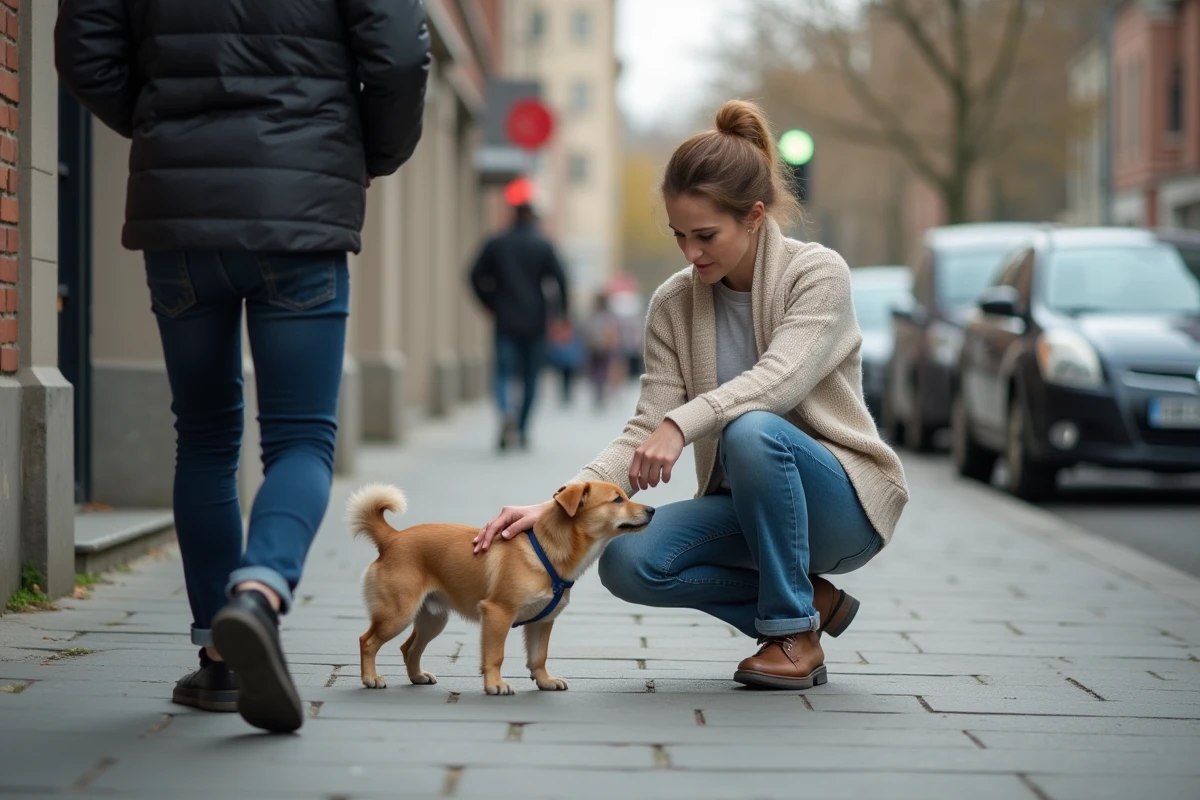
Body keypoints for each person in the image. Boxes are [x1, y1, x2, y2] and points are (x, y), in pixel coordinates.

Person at [55, 0, 431, 732]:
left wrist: (173, 130)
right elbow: (398, 56)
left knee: (202, 436)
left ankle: (218, 661)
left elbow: (85, 52)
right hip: (301, 197)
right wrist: (360, 152)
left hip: (180, 208)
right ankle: (257, 593)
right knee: (298, 439)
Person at [474, 100, 909, 690]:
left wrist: (681, 426)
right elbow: (642, 426)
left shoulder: (818, 275)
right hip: (748, 509)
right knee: (628, 562)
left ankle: (789, 630)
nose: (691, 253)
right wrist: (557, 504)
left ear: (754, 216)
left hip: (843, 506)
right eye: (679, 235)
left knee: (751, 427)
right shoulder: (673, 304)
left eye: (706, 235)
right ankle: (811, 607)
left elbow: (777, 381)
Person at [470, 203, 570, 450]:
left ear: (513, 216)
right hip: (535, 321)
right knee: (530, 378)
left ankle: (506, 413)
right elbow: (561, 279)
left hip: (505, 319)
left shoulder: (497, 243)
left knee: (503, 373)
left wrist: (489, 302)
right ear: (534, 219)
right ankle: (522, 429)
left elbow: (474, 275)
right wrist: (561, 314)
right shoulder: (542, 245)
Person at [583, 293, 621, 409]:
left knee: (598, 371)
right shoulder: (609, 317)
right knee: (601, 371)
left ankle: (599, 392)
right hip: (602, 347)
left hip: (598, 348)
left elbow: (587, 331)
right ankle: (600, 391)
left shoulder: (594, 316)